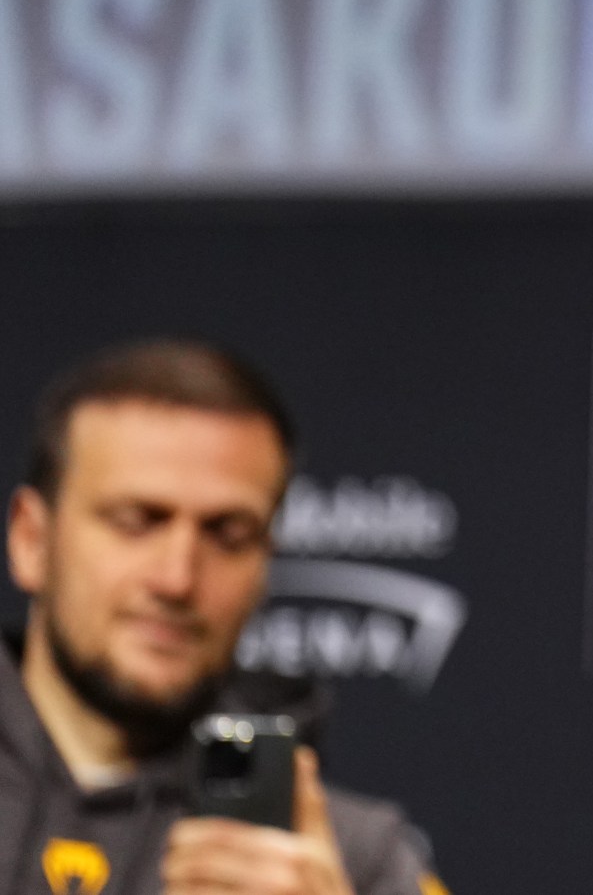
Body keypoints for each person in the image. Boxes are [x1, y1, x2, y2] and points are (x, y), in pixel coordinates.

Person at [2, 340, 443, 895]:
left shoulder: (350, 858)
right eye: (137, 521)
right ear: (31, 540)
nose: (177, 579)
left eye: (228, 535)